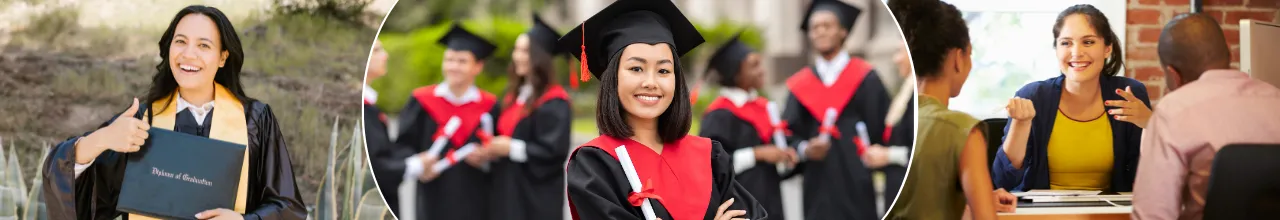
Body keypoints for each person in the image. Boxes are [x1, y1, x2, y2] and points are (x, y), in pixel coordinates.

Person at [41, 5, 306, 220]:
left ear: (223, 57)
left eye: (204, 45)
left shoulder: (254, 121)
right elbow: (78, 194)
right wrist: (103, 139)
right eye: (180, 42)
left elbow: (288, 207)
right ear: (169, 49)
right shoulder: (143, 120)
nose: (188, 54)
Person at [559, 0, 767, 219]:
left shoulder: (709, 156)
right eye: (636, 68)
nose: (651, 82)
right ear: (613, 79)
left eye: (664, 70)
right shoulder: (596, 165)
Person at [1131, 13, 1280, 220]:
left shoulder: (1174, 110)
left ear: (1174, 75)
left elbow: (1153, 215)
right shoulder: (1275, 98)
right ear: (1230, 53)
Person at [994, 4, 1151, 192]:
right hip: (1044, 213)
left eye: (1088, 42)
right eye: (1066, 43)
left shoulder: (1129, 93)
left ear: (1107, 48)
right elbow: (1003, 182)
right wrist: (1020, 125)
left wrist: (1151, 124)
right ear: (1056, 49)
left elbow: (1147, 179)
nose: (1076, 53)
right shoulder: (1033, 96)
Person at [885, 0, 1017, 219]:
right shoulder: (961, 130)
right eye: (970, 54)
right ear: (958, 58)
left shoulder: (899, 119)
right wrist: (979, 200)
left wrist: (967, 198)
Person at [783, 0, 892, 218]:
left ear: (843, 31)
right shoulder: (799, 85)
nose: (820, 32)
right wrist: (805, 149)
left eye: (827, 25)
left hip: (857, 182)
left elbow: (882, 129)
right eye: (815, 27)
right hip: (817, 185)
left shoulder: (866, 78)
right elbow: (788, 133)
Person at [464, 14, 572, 220]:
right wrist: (490, 152)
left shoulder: (554, 101)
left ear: (540, 56)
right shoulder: (515, 96)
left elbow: (553, 153)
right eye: (516, 49)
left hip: (535, 199)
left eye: (525, 51)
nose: (517, 56)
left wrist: (510, 147)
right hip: (506, 193)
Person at [391, 22, 500, 220]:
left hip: (477, 198)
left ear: (478, 67)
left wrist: (487, 158)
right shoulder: (421, 101)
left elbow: (498, 150)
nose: (453, 67)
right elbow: (402, 146)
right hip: (433, 196)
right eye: (449, 60)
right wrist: (418, 165)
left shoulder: (490, 105)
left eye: (461, 61)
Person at [696, 32, 797, 219]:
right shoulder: (719, 115)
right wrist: (757, 154)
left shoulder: (764, 107)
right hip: (739, 207)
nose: (762, 70)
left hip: (772, 204)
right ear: (735, 73)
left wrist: (785, 155)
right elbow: (712, 166)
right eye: (754, 65)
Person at [364, 39, 421, 217]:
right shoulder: (362, 109)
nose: (385, 55)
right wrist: (413, 165)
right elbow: (373, 167)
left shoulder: (369, 105)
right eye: (377, 50)